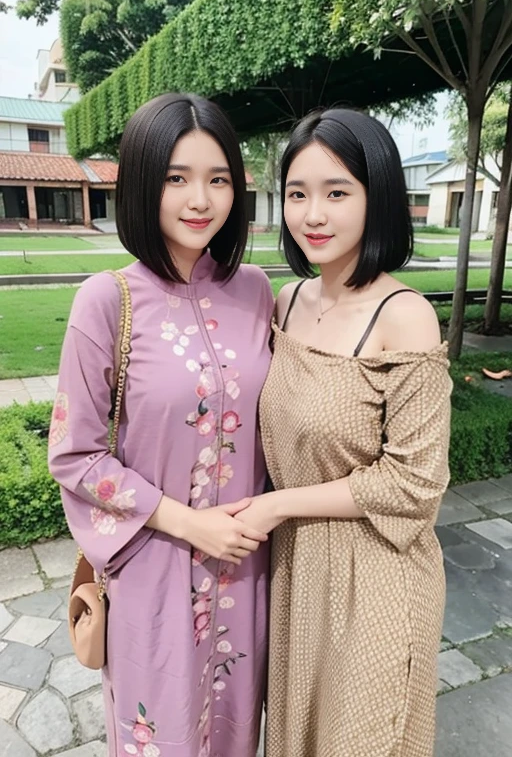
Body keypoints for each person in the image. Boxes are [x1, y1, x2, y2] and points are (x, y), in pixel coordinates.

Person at [48, 93, 274, 757]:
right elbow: (75, 454)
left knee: (235, 728)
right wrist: (187, 522)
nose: (199, 197)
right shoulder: (106, 301)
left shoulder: (255, 290)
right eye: (177, 177)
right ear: (145, 182)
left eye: (218, 178)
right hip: (155, 569)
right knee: (164, 735)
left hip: (243, 571)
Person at [234, 108, 452, 757]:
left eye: (337, 193)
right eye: (297, 194)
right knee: (299, 733)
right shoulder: (286, 302)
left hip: (377, 574)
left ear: (376, 196)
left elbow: (416, 485)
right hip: (298, 571)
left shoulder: (404, 316)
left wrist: (277, 504)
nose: (313, 215)